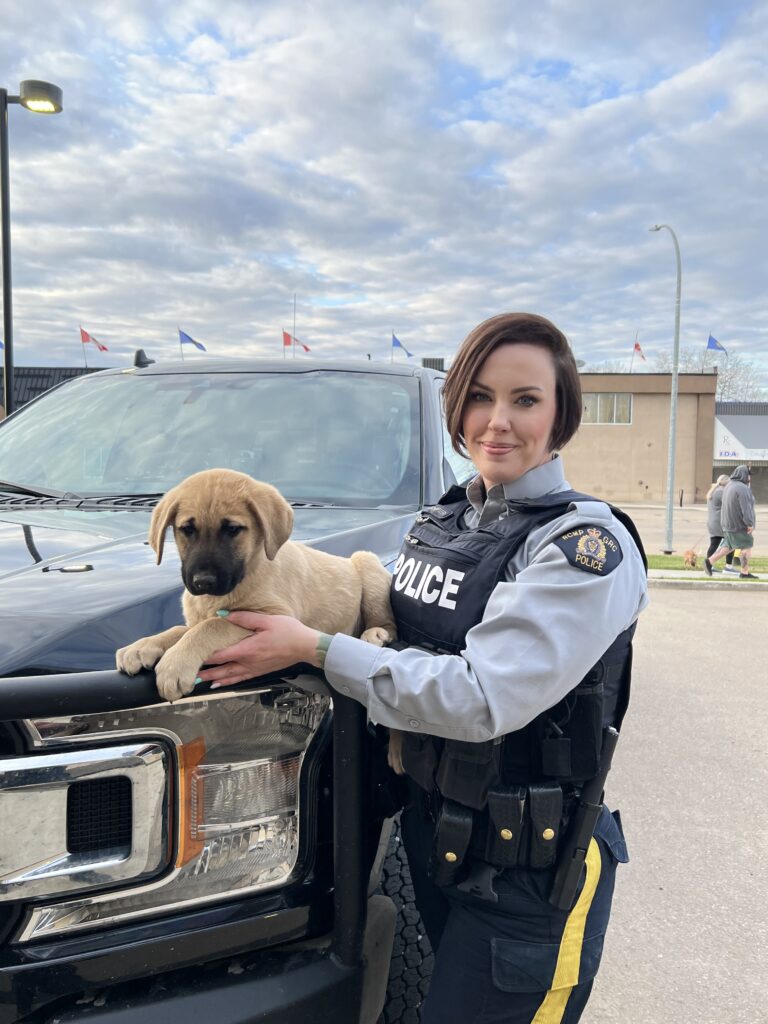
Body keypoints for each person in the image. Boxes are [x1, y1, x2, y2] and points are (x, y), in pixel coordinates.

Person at [197, 312, 649, 1024]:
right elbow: (384, 628)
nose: (497, 421)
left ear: (561, 414)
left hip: (529, 877)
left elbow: (480, 697)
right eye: (478, 396)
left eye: (525, 399)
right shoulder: (448, 524)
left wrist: (313, 648)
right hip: (440, 836)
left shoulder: (582, 547)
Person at [705, 465, 758, 579]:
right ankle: (744, 572)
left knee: (728, 546)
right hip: (739, 524)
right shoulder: (742, 488)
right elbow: (746, 508)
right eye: (748, 475)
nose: (749, 478)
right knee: (746, 546)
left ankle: (709, 562)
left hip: (727, 524)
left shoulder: (729, 486)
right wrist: (749, 523)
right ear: (744, 475)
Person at [705, 475, 735, 572]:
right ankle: (728, 566)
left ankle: (710, 565)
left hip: (713, 521)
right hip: (719, 522)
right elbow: (731, 503)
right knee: (731, 542)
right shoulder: (721, 492)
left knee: (715, 542)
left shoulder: (715, 490)